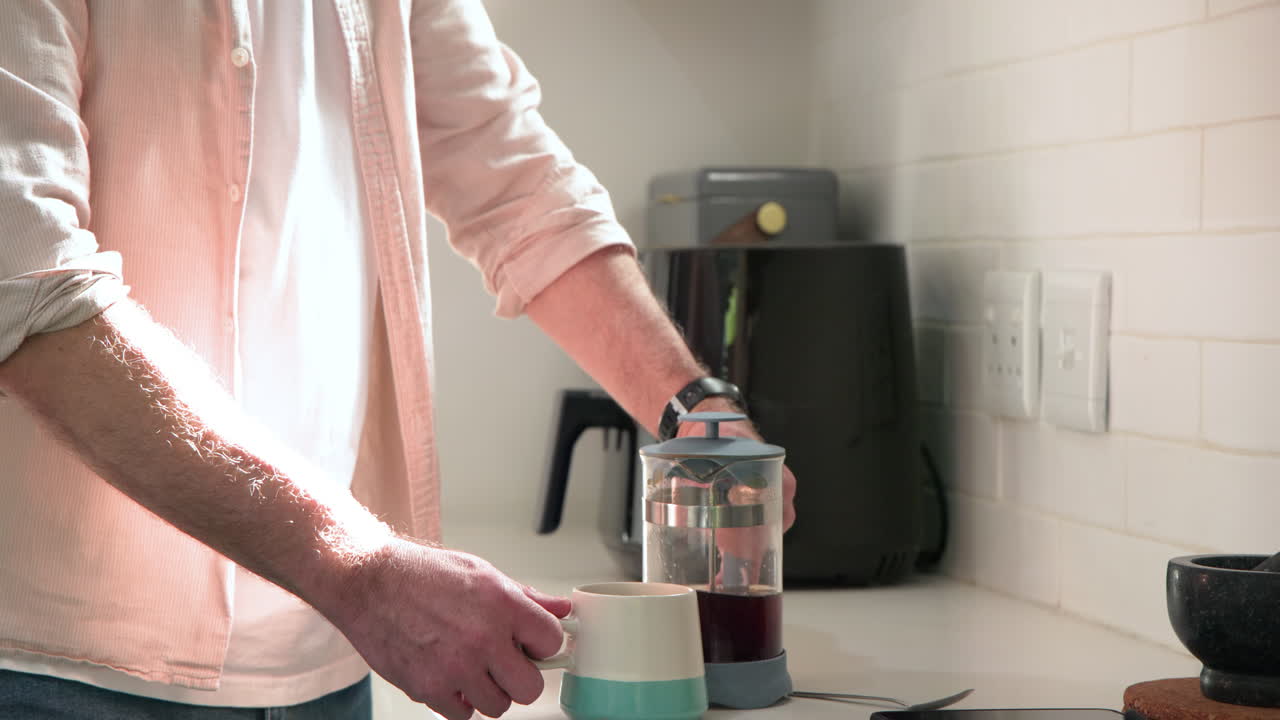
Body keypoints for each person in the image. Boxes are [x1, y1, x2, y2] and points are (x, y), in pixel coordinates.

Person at [0, 2, 796, 719]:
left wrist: (694, 408)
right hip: (66, 673)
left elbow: (522, 188)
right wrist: (361, 567)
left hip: (325, 660)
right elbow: (31, 297)